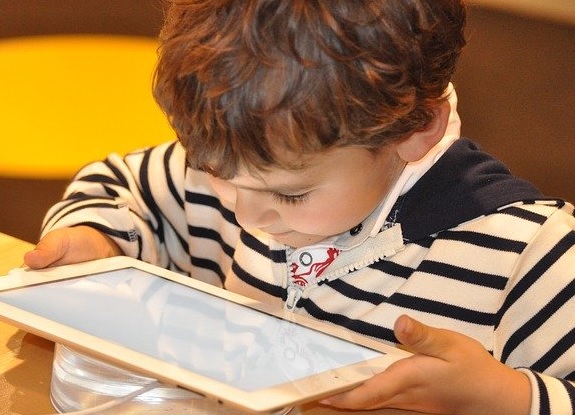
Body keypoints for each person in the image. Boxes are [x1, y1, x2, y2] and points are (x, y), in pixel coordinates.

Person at [23, 0, 575, 414]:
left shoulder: (531, 256)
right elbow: (123, 187)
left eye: (291, 195)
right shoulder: (253, 163)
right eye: (218, 176)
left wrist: (504, 396)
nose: (247, 216)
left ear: (415, 129)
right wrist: (95, 239)